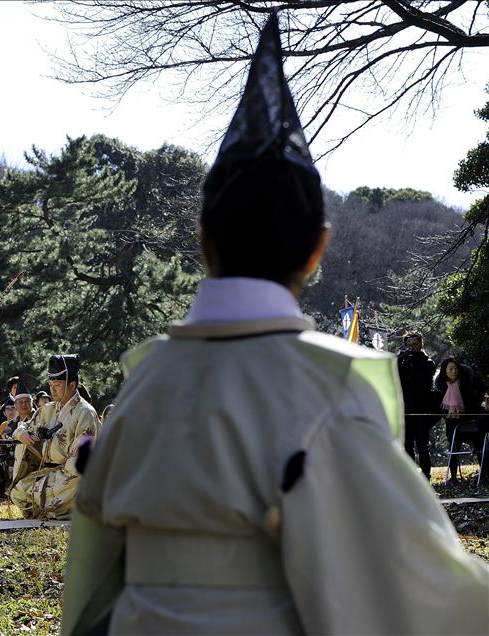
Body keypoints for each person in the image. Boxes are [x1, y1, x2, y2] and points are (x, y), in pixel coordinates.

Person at [60, 16, 489, 636]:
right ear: (318, 250)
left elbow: (94, 579)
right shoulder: (326, 390)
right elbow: (419, 588)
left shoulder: (143, 385)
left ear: (204, 241)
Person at [10, 355, 98, 519]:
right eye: (50, 385)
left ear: (72, 385)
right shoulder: (48, 410)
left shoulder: (85, 412)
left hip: (75, 475)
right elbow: (24, 426)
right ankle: (52, 509)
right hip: (51, 472)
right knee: (18, 492)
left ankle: (55, 507)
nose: (52, 389)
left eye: (57, 385)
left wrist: (55, 480)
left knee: (65, 487)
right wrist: (23, 434)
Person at [435, 357, 487, 483]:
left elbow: (480, 391)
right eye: (450, 369)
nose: (454, 371)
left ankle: (484, 475)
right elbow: (439, 408)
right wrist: (449, 413)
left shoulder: (467, 383)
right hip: (453, 423)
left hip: (471, 420)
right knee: (453, 445)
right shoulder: (441, 387)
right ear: (445, 372)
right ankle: (453, 477)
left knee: (481, 444)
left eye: (455, 368)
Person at [397, 331, 438, 478]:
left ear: (421, 344)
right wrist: (400, 359)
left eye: (415, 344)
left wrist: (409, 361)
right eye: (409, 345)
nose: (412, 348)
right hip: (405, 410)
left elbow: (420, 380)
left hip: (421, 410)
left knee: (422, 446)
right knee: (407, 446)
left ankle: (426, 476)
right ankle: (410, 477)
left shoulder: (428, 362)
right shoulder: (402, 361)